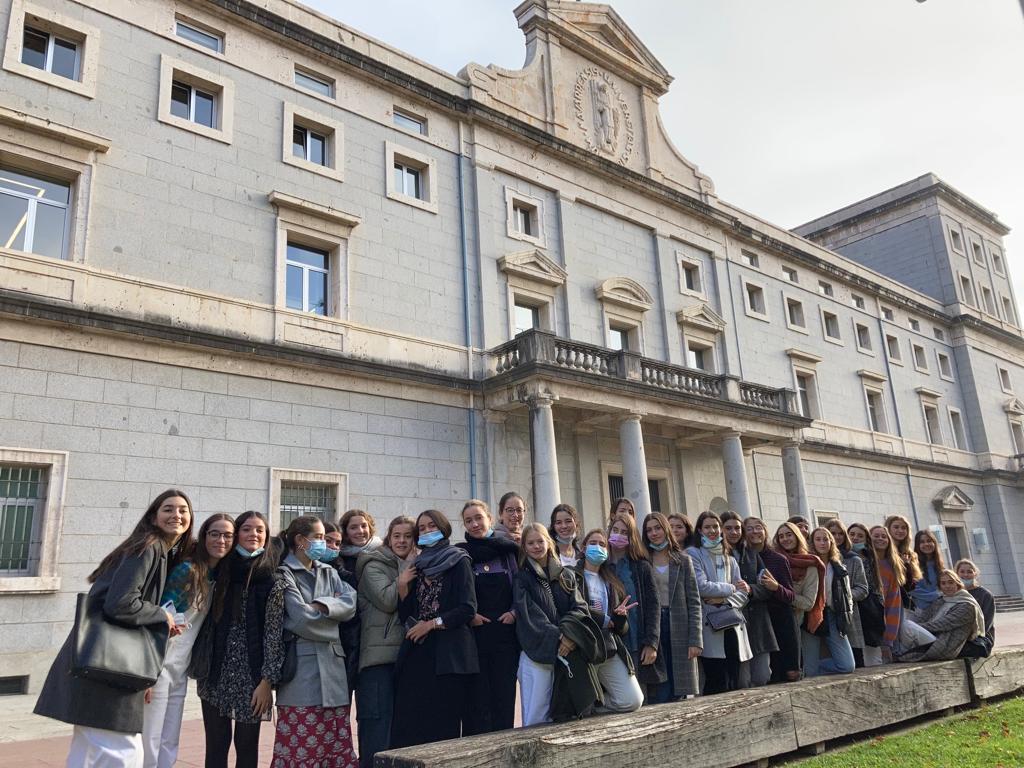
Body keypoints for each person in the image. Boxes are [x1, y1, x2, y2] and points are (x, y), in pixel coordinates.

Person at [35, 490, 193, 768]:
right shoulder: (149, 546)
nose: (176, 515)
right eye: (168, 509)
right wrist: (161, 616)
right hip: (110, 666)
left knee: (87, 751)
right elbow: (121, 604)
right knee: (124, 750)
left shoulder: (152, 548)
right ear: (154, 516)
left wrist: (159, 620)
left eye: (183, 510)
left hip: (95, 661)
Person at [143, 513, 234, 768]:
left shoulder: (218, 577)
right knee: (150, 736)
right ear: (204, 536)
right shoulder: (188, 571)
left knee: (169, 738)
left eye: (228, 535)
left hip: (181, 668)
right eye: (214, 533)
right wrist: (148, 671)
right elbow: (160, 617)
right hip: (160, 665)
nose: (221, 540)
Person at [199, 511, 285, 768]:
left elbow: (274, 633)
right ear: (237, 534)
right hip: (215, 673)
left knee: (247, 748)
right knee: (215, 745)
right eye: (247, 529)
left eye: (260, 530)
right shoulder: (221, 568)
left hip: (252, 676)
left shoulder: (272, 577)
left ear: (267, 536)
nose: (253, 535)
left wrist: (266, 681)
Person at [272, 516, 358, 768]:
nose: (325, 543)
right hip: (301, 673)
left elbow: (351, 604)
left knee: (336, 748)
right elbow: (300, 619)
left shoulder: (328, 571)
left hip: (334, 672)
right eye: (319, 537)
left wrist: (320, 606)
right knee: (301, 748)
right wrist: (333, 613)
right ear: (300, 540)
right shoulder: (284, 574)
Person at [391, 510, 477, 748]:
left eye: (432, 526)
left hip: (449, 657)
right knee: (412, 726)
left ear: (443, 528)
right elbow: (406, 615)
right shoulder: (417, 566)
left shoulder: (459, 560)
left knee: (443, 728)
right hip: (418, 654)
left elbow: (467, 608)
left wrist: (431, 624)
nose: (427, 531)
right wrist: (402, 586)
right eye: (422, 528)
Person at [514, 523, 593, 725]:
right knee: (535, 716)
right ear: (524, 547)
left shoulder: (567, 574)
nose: (536, 546)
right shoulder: (522, 578)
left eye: (540, 541)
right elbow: (531, 615)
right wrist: (559, 636)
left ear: (548, 542)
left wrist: (569, 637)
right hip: (537, 653)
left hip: (567, 651)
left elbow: (580, 608)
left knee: (563, 715)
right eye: (530, 543)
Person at [355, 516, 416, 768]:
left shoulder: (413, 564)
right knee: (376, 731)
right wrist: (404, 575)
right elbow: (388, 601)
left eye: (408, 536)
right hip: (377, 661)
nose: (402, 541)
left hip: (405, 656)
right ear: (389, 539)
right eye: (397, 536)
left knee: (402, 733)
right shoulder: (374, 565)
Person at [458, 500, 519, 735]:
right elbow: (456, 592)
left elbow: (521, 589)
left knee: (503, 701)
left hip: (505, 639)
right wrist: (469, 615)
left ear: (490, 519)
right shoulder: (461, 553)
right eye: (468, 520)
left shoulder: (509, 552)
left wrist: (514, 612)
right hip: (474, 640)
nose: (474, 524)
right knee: (476, 703)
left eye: (478, 518)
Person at [576, 529, 646, 711]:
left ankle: (596, 706)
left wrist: (620, 618)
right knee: (579, 705)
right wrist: (605, 619)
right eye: (593, 543)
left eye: (602, 545)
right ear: (583, 548)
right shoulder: (571, 575)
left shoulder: (611, 581)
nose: (597, 547)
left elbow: (620, 629)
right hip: (582, 647)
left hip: (608, 646)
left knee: (633, 700)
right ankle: (587, 705)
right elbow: (574, 608)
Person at [686, 511, 752, 694]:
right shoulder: (693, 553)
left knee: (734, 681)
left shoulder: (730, 558)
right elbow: (702, 587)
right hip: (710, 626)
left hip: (732, 624)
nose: (712, 530)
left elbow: (744, 593)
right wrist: (730, 588)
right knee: (716, 682)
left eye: (715, 526)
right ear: (699, 530)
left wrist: (725, 600)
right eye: (707, 527)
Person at [640, 514, 702, 700]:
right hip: (653, 625)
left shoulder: (683, 560)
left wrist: (695, 639)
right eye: (649, 530)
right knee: (660, 686)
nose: (654, 533)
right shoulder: (643, 561)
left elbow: (694, 601)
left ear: (666, 529)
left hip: (679, 626)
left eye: (657, 528)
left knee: (680, 687)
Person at [742, 517, 800, 683]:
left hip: (780, 622)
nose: (754, 532)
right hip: (756, 623)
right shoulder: (741, 558)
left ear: (765, 531)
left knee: (786, 675)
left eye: (758, 527)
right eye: (750, 528)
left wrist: (776, 587)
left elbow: (790, 596)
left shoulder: (778, 559)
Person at [607, 513, 662, 688]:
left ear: (632, 537)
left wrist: (652, 642)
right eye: (615, 530)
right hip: (609, 644)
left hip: (636, 642)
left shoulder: (642, 567)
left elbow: (654, 605)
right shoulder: (600, 565)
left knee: (640, 695)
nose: (619, 535)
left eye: (624, 532)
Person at [722, 512, 776, 688]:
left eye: (737, 528)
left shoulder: (752, 554)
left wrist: (751, 589)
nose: (733, 532)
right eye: (728, 528)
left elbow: (768, 587)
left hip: (757, 624)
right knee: (741, 681)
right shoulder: (716, 554)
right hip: (733, 623)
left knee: (762, 676)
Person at [896, 570, 986, 662]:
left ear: (957, 584)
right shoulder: (940, 600)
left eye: (951, 582)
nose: (947, 586)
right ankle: (901, 652)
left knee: (907, 626)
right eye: (943, 583)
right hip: (932, 637)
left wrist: (914, 627)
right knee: (903, 620)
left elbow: (940, 625)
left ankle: (901, 653)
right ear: (940, 586)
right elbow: (924, 617)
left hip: (944, 644)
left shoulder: (967, 605)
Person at [773, 522, 825, 678]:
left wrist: (780, 591)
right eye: (781, 536)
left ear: (797, 536)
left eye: (789, 535)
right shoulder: (773, 558)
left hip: (794, 621)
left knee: (792, 672)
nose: (785, 539)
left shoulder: (811, 564)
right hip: (770, 621)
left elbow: (808, 603)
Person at [805, 528, 855, 676]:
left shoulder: (838, 567)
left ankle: (806, 668)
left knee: (847, 666)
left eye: (825, 539)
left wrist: (846, 617)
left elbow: (847, 596)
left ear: (831, 542)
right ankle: (806, 668)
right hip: (810, 616)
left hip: (832, 615)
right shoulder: (807, 563)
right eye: (818, 539)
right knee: (811, 671)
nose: (822, 543)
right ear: (812, 543)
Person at [825, 519, 870, 668]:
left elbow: (863, 588)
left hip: (849, 614)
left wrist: (844, 595)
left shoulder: (853, 559)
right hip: (825, 614)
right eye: (832, 533)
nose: (837, 537)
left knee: (855, 662)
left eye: (840, 534)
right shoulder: (818, 558)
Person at [848, 522, 885, 667]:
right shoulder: (842, 557)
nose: (855, 538)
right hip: (854, 607)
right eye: (852, 534)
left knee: (873, 654)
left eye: (860, 536)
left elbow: (876, 585)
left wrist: (878, 604)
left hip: (871, 609)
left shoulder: (870, 557)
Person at [869, 525, 906, 663]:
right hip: (867, 626)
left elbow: (893, 605)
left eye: (884, 536)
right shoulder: (864, 562)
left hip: (884, 629)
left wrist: (888, 640)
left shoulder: (892, 566)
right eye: (876, 536)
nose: (880, 539)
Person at [954, 558, 996, 649]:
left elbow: (987, 623)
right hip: (959, 637)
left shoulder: (985, 595)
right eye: (962, 571)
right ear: (956, 574)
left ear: (975, 574)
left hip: (981, 637)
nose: (965, 575)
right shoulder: (954, 594)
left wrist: (969, 636)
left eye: (969, 572)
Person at [884, 514, 922, 599]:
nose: (900, 530)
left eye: (904, 528)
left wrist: (907, 566)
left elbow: (912, 583)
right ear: (888, 529)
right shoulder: (883, 551)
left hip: (905, 598)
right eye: (896, 527)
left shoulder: (910, 553)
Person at [338, 509, 382, 577]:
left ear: (370, 528)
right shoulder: (337, 557)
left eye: (364, 526)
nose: (360, 531)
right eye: (353, 528)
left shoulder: (383, 551)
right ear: (345, 532)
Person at [911, 529, 945, 612]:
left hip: (941, 608)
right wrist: (936, 596)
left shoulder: (940, 565)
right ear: (917, 545)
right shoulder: (912, 565)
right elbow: (912, 589)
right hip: (921, 611)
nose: (926, 544)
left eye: (929, 541)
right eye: (922, 542)